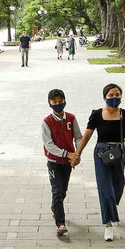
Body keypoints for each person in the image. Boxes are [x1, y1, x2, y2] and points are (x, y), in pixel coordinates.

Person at [72, 83, 125, 241]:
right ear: (104, 97)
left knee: (118, 186)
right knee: (105, 189)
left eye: (117, 94)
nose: (114, 98)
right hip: (101, 154)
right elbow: (87, 135)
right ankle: (108, 224)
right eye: (111, 95)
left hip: (119, 153)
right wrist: (78, 154)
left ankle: (110, 208)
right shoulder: (96, 114)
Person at [42, 89, 83, 237]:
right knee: (57, 190)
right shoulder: (47, 122)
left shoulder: (71, 118)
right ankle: (60, 224)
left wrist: (77, 154)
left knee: (63, 189)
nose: (58, 104)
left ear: (65, 101)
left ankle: (55, 207)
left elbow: (78, 137)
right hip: (54, 162)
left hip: (67, 163)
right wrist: (67, 153)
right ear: (49, 103)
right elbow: (49, 145)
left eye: (60, 101)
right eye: (54, 101)